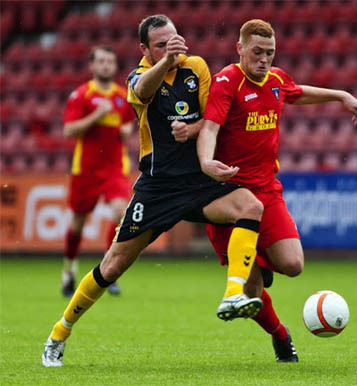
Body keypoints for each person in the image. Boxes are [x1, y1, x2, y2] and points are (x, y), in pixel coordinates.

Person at [42, 14, 265, 368]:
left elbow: (211, 118)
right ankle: (59, 332)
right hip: (158, 187)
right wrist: (164, 61)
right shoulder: (138, 77)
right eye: (160, 44)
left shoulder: (196, 68)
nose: (171, 47)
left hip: (199, 180)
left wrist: (193, 132)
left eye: (173, 40)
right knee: (112, 267)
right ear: (144, 50)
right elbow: (144, 91)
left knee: (250, 207)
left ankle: (233, 293)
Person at [197, 19, 357, 362]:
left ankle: (259, 257)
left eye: (270, 53)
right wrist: (205, 162)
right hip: (228, 195)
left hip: (266, 192)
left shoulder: (275, 79)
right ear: (240, 49)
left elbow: (296, 92)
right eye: (257, 52)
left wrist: (340, 95)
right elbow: (210, 128)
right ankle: (280, 335)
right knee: (252, 291)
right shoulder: (227, 82)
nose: (264, 59)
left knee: (293, 265)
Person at [61, 46, 136, 297]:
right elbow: (69, 130)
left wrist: (127, 129)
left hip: (114, 166)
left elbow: (129, 121)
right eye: (101, 61)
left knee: (120, 213)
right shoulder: (82, 95)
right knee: (78, 223)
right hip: (86, 169)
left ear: (114, 66)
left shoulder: (121, 96)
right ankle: (69, 271)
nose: (105, 66)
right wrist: (96, 115)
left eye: (110, 62)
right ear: (92, 66)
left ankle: (108, 271)